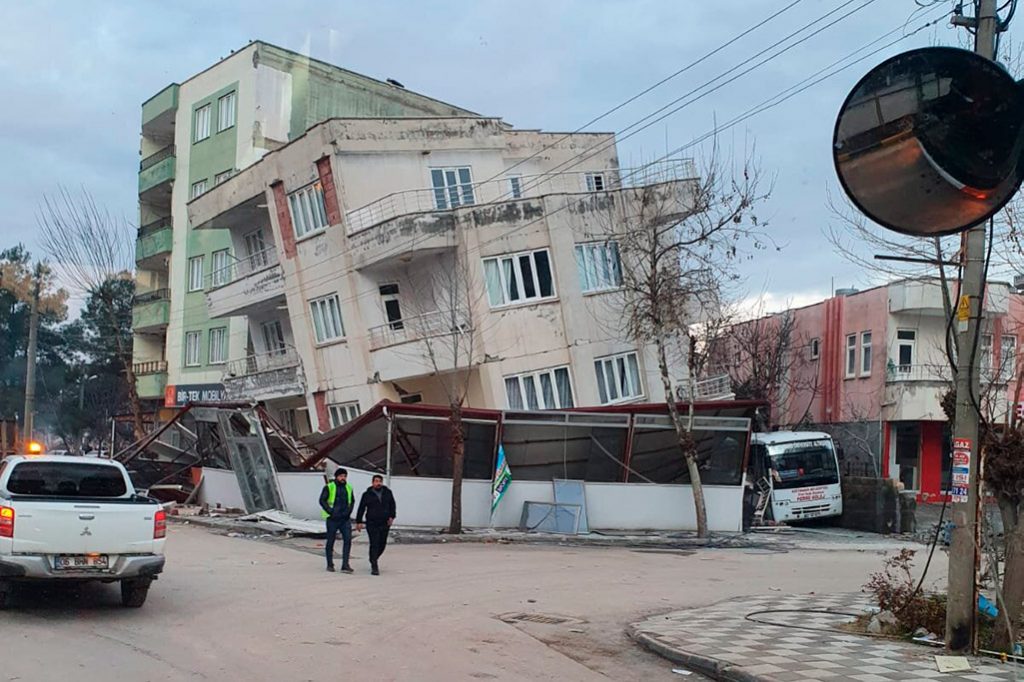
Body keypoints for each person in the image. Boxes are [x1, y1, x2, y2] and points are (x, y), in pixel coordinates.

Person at [355, 475, 396, 576]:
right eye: (376, 481)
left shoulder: (387, 492)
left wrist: (392, 516)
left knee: (382, 544)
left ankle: (373, 558)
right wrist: (359, 521)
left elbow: (392, 505)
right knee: (374, 543)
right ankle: (374, 565)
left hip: (384, 522)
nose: (378, 483)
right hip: (372, 522)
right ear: (372, 483)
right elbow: (361, 508)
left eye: (380, 481)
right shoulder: (367, 494)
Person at [319, 468, 355, 573]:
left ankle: (345, 565)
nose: (343, 478)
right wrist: (330, 511)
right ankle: (330, 564)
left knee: (348, 540)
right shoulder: (329, 487)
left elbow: (352, 501)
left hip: (345, 519)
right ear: (336, 477)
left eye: (344, 476)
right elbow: (322, 500)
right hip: (332, 519)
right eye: (341, 476)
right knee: (330, 541)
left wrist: (348, 512)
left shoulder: (349, 487)